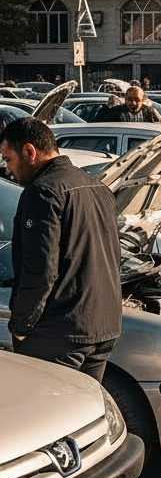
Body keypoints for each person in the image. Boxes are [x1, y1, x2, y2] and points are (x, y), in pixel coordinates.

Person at [1, 119, 120, 382]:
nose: (7, 170)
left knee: (46, 417)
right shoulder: (98, 187)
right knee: (82, 414)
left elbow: (39, 270)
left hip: (58, 334)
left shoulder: (41, 192)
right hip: (104, 326)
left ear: (29, 152)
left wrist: (20, 328)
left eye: (8, 159)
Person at [97, 85, 161, 123]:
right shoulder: (115, 112)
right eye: (129, 99)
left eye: (136, 100)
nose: (133, 103)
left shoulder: (150, 112)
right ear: (125, 99)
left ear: (143, 100)